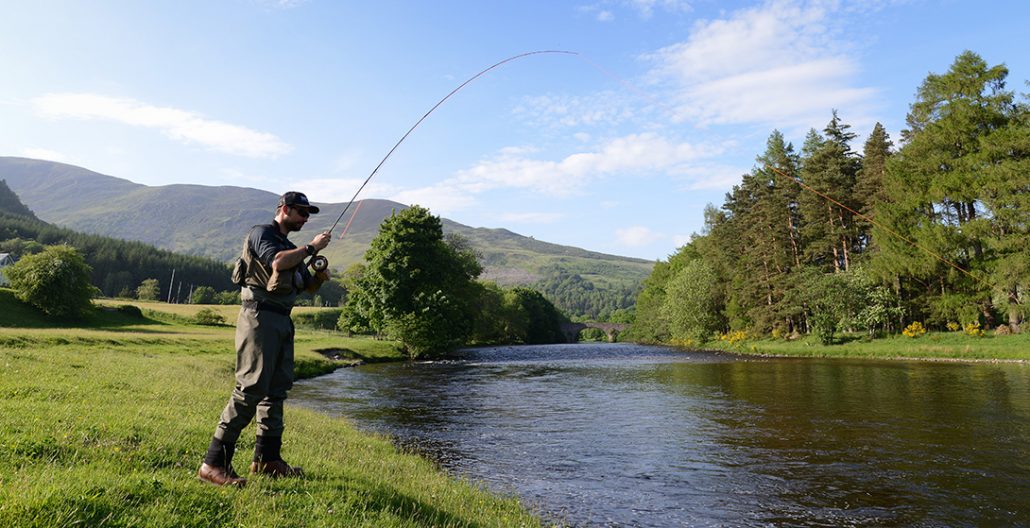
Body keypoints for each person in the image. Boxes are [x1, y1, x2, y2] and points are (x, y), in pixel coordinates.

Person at [198, 191, 332, 487]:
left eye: (309, 213)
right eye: (301, 212)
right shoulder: (263, 234)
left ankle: (267, 460)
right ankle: (212, 464)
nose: (306, 217)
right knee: (250, 388)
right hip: (258, 318)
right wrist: (311, 247)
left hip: (282, 320)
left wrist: (317, 277)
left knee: (276, 390)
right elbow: (277, 263)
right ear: (284, 209)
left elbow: (300, 286)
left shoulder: (289, 246)